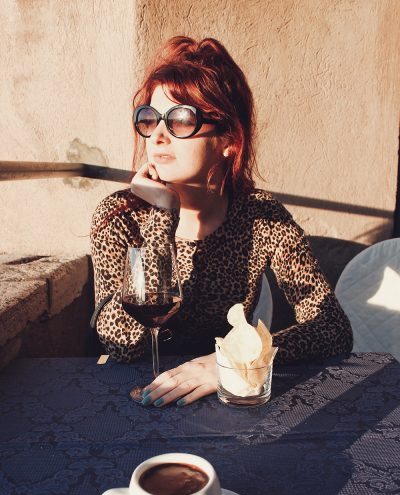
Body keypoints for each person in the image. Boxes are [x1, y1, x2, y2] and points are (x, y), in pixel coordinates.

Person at [90, 36, 353, 408]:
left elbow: (333, 329)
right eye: (149, 119)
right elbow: (122, 341)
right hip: (132, 397)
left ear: (228, 138)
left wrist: (232, 360)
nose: (159, 136)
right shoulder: (120, 217)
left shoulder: (260, 216)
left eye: (182, 119)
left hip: (218, 396)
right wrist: (162, 215)